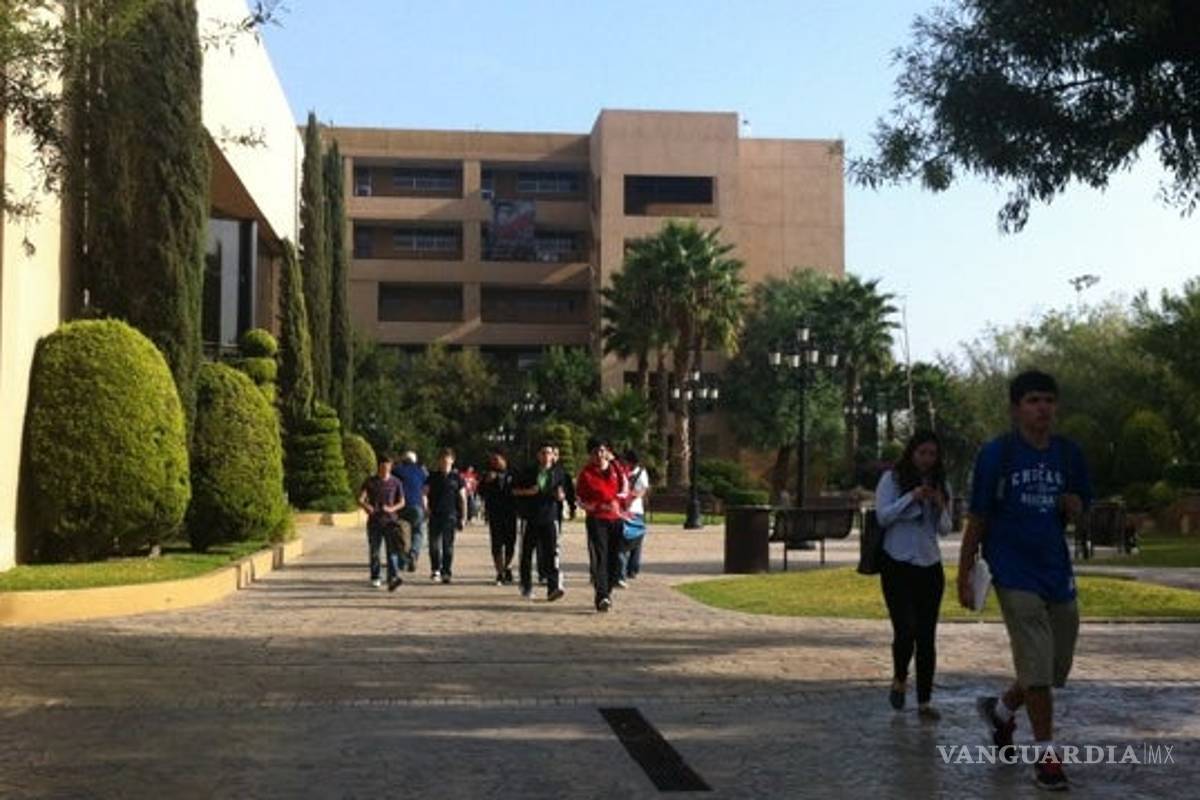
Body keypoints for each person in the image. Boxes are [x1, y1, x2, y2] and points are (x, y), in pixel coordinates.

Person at [960, 370, 1091, 792]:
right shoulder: (997, 454)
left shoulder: (1068, 454)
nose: (1042, 408)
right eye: (1033, 400)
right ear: (1016, 408)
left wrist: (1075, 506)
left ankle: (1000, 711)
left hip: (1055, 569)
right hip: (1012, 570)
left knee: (1051, 667)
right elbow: (978, 517)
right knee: (1036, 662)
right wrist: (963, 573)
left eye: (1049, 400)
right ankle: (1046, 758)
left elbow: (1081, 506)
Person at [874, 431, 951, 721]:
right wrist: (911, 497)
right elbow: (883, 516)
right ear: (912, 453)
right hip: (898, 562)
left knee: (926, 635)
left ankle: (924, 701)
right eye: (922, 453)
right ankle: (899, 678)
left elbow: (945, 529)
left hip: (929, 564)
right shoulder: (892, 480)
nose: (927, 460)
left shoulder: (940, 482)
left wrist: (940, 504)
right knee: (905, 629)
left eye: (932, 454)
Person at [512, 443, 569, 602]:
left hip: (550, 517)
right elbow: (514, 490)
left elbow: (564, 492)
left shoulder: (558, 473)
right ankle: (526, 585)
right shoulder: (528, 472)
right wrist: (528, 492)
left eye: (549, 453)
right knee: (527, 554)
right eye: (543, 453)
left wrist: (561, 496)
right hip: (530, 517)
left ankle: (553, 587)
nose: (546, 456)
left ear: (553, 456)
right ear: (538, 456)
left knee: (551, 553)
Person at [576, 437, 625, 612]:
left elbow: (625, 490)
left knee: (614, 558)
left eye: (602, 450)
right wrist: (597, 506)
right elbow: (581, 499)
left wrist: (618, 504)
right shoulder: (586, 474)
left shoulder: (616, 469)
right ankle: (602, 595)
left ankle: (607, 590)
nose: (599, 455)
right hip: (597, 520)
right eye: (595, 451)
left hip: (616, 518)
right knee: (600, 557)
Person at [357, 454, 407, 592]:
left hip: (391, 522)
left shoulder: (396, 482)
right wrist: (366, 506)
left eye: (388, 466)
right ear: (379, 467)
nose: (386, 469)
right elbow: (360, 499)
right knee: (375, 551)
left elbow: (402, 502)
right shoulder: (370, 481)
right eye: (383, 466)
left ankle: (393, 578)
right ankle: (375, 576)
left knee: (392, 552)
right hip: (375, 522)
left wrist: (391, 509)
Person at [424, 448, 467, 584]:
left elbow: (463, 498)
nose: (444, 462)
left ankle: (446, 571)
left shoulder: (457, 478)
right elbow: (424, 493)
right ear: (439, 461)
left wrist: (463, 517)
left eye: (447, 459)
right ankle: (435, 569)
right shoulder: (432, 477)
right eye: (442, 459)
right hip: (434, 514)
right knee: (433, 545)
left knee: (447, 546)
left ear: (452, 461)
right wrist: (426, 508)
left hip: (450, 515)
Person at [479, 450, 518, 585]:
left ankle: (508, 566)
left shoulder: (513, 473)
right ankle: (500, 572)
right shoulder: (487, 474)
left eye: (497, 459)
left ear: (504, 459)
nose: (494, 462)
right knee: (496, 544)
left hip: (510, 512)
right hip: (495, 513)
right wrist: (486, 482)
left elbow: (518, 489)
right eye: (492, 460)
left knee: (510, 543)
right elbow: (480, 492)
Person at [393, 451, 428, 573]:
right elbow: (425, 490)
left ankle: (403, 558)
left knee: (402, 533)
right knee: (418, 531)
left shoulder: (396, 470)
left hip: (401, 506)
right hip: (417, 505)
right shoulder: (421, 471)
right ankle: (413, 553)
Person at [619, 450, 650, 582]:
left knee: (636, 540)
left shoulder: (640, 473)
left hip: (636, 510)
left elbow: (642, 490)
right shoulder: (622, 472)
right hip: (624, 511)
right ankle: (623, 568)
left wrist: (630, 498)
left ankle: (633, 568)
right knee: (624, 540)